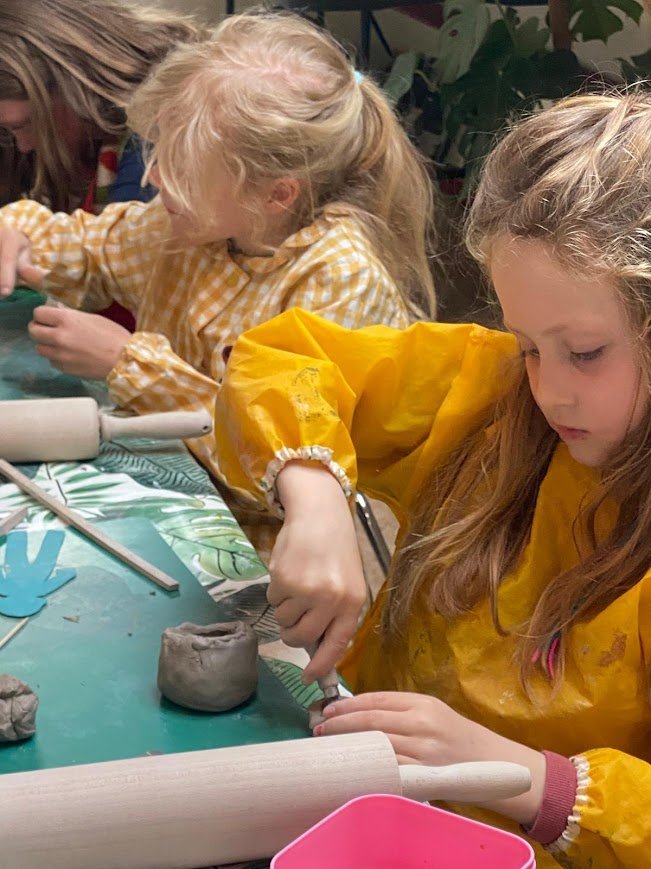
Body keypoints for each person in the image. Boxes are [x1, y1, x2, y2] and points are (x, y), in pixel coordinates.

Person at [211, 92, 651, 866]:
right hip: (364, 814)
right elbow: (278, 360)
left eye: (584, 352)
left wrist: (521, 775)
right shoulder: (480, 393)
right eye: (526, 345)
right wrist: (312, 492)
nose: (548, 391)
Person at [0, 11, 436, 544]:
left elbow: (278, 472)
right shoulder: (195, 225)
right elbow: (91, 248)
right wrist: (17, 234)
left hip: (262, 547)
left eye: (181, 166)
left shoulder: (337, 281)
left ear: (276, 193)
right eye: (158, 149)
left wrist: (126, 364)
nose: (153, 177)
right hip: (177, 494)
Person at [0, 0, 201, 329]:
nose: (24, 146)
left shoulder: (150, 146)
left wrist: (125, 354)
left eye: (24, 125)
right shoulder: (88, 134)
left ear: (73, 87)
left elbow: (112, 262)